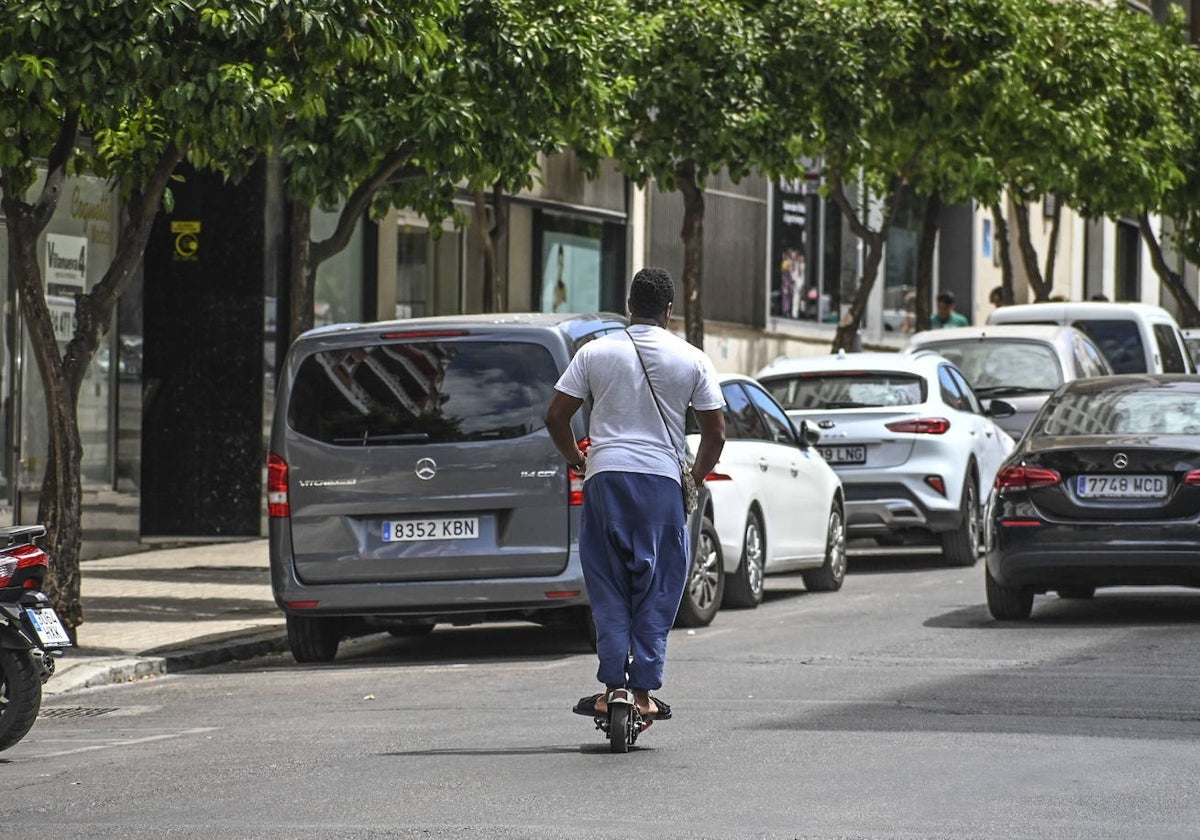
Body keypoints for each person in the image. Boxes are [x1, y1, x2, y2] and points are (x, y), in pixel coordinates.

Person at [545, 267, 726, 721]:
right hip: (662, 483)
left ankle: (612, 687)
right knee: (659, 584)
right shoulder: (692, 359)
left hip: (605, 479)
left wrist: (577, 459)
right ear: (669, 310)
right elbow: (716, 434)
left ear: (629, 306)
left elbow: (556, 417)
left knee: (607, 584)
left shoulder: (595, 352)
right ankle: (642, 692)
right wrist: (695, 476)